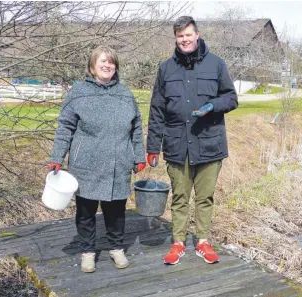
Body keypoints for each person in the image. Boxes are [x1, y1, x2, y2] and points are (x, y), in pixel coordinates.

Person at [146, 16, 238, 265]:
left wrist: (212, 105)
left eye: (188, 34)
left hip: (210, 143)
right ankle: (178, 243)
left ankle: (203, 241)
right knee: (179, 197)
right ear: (176, 38)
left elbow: (231, 98)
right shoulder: (166, 68)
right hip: (177, 145)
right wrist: (152, 147)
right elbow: (157, 110)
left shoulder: (217, 64)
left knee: (205, 197)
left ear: (197, 34)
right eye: (180, 36)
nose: (184, 39)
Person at [47, 45, 146, 273]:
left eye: (111, 62)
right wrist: (56, 157)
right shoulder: (78, 92)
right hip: (87, 165)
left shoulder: (125, 94)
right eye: (102, 61)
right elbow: (65, 127)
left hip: (117, 164)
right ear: (92, 66)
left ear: (116, 67)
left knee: (116, 211)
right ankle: (88, 252)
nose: (107, 65)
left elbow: (137, 128)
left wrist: (138, 156)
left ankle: (116, 248)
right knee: (86, 212)